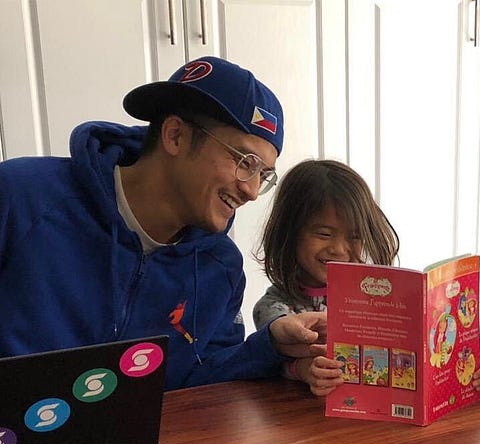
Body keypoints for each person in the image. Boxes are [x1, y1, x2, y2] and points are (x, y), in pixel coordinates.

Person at [0, 56, 327, 390]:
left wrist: (270, 345)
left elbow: (204, 384)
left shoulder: (221, 267)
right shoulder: (22, 197)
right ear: (175, 136)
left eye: (263, 174)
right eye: (245, 161)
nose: (252, 190)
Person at [253, 159, 480, 396]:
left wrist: (473, 366)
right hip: (307, 427)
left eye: (355, 237)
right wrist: (302, 369)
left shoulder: (379, 296)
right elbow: (268, 365)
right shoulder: (274, 309)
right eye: (324, 234)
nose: (339, 249)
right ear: (289, 233)